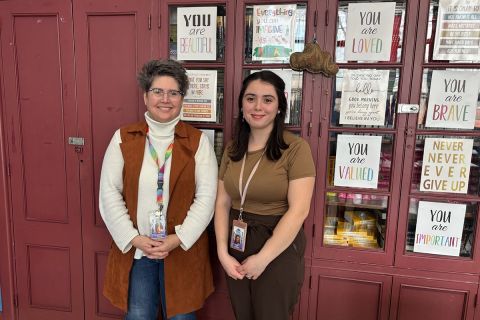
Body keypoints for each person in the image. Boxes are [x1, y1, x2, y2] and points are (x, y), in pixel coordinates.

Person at [99, 59, 218, 320]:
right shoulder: (124, 138)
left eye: (173, 92)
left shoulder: (197, 143)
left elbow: (206, 198)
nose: (165, 99)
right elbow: (109, 194)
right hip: (138, 252)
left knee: (182, 318)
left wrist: (178, 238)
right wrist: (134, 239)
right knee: (139, 316)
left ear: (182, 98)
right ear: (145, 96)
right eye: (158, 91)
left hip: (183, 251)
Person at [215, 70, 315, 320]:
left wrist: (263, 258)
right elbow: (222, 202)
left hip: (277, 244)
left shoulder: (296, 148)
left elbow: (299, 210)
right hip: (236, 240)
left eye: (267, 100)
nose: (258, 106)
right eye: (250, 98)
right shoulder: (232, 148)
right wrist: (222, 252)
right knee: (243, 315)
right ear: (241, 104)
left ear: (280, 106)